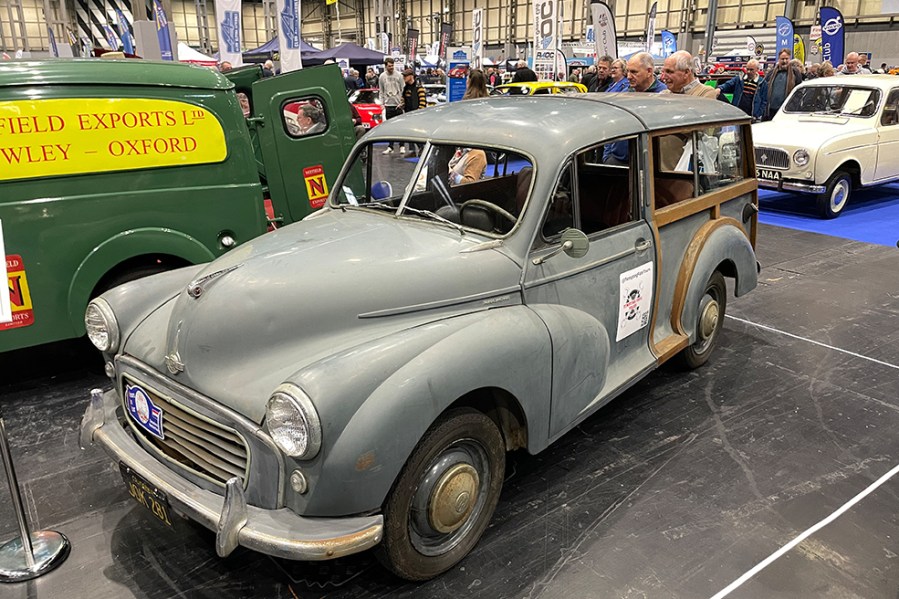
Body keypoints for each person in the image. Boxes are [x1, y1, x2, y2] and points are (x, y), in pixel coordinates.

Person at [603, 53, 665, 165]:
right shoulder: (624, 94)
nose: (629, 76)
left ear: (649, 71)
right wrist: (608, 155)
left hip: (649, 165)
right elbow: (612, 125)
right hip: (618, 161)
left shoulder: (663, 96)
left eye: (634, 72)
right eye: (628, 72)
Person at [762, 49, 802, 120]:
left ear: (790, 59)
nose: (784, 61)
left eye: (786, 59)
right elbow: (764, 89)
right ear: (779, 59)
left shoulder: (795, 73)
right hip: (771, 111)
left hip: (786, 111)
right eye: (782, 59)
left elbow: (799, 92)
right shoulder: (771, 73)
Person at [379, 57, 405, 154]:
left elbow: (403, 89)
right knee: (390, 127)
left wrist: (402, 103)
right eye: (389, 66)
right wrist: (382, 104)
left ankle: (402, 146)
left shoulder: (399, 75)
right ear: (385, 66)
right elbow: (381, 91)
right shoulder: (382, 77)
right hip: (388, 104)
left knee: (400, 126)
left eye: (392, 65)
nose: (391, 67)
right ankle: (390, 146)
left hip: (398, 104)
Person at [401, 68, 426, 156]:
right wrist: (402, 104)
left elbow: (423, 102)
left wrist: (419, 113)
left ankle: (422, 148)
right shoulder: (406, 88)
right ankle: (412, 151)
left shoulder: (419, 87)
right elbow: (404, 99)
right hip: (408, 113)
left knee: (418, 133)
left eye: (405, 76)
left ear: (411, 76)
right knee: (409, 132)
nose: (404, 77)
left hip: (418, 114)